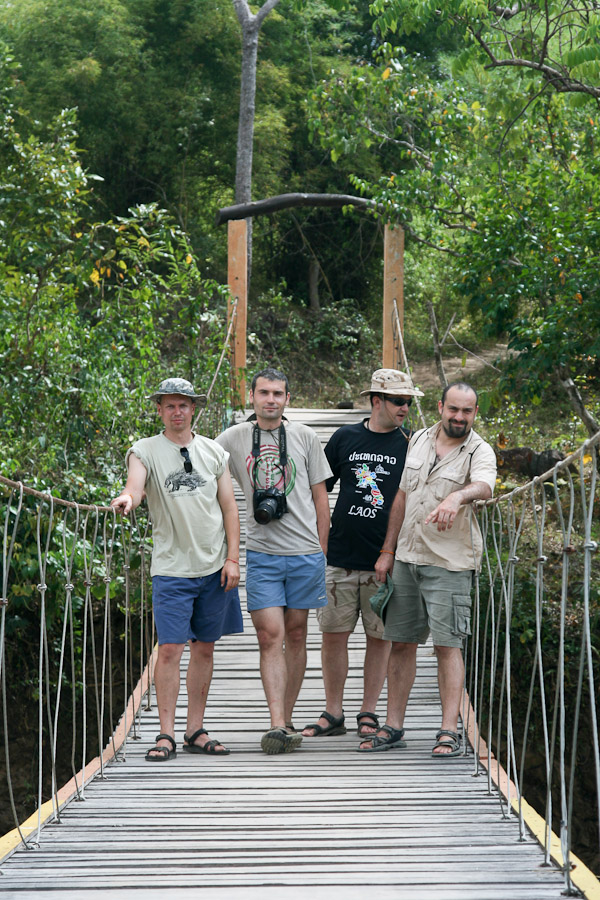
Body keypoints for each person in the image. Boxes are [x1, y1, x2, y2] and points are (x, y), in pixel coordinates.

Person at [359, 382, 497, 756]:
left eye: (467, 411)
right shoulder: (418, 438)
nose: (459, 417)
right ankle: (393, 726)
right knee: (400, 643)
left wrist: (458, 495)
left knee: (447, 646)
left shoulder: (479, 450)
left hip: (450, 564)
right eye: (453, 409)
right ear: (440, 406)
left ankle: (448, 731)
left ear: (475, 412)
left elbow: (485, 486)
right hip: (407, 558)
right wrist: (388, 550)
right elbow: (402, 495)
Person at [111, 377, 243, 762]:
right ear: (159, 410)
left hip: (214, 566)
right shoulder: (145, 450)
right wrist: (126, 499)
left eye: (183, 405)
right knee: (169, 649)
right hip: (171, 568)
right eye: (169, 405)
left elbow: (230, 508)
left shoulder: (214, 452)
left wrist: (233, 559)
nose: (177, 411)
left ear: (193, 409)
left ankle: (194, 730)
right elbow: (135, 486)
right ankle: (165, 734)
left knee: (205, 647)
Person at [302, 369, 423, 740]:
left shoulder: (413, 444)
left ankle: (368, 712)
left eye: (409, 402)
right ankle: (333, 711)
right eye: (398, 401)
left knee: (380, 638)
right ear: (376, 401)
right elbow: (318, 490)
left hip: (385, 560)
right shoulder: (344, 438)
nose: (405, 408)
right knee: (333, 634)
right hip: (339, 554)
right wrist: (316, 543)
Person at [216, 367, 332, 754]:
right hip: (262, 554)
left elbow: (320, 497)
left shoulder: (304, 436)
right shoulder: (233, 438)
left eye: (277, 394)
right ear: (251, 396)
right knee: (270, 636)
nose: (270, 400)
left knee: (297, 634)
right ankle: (276, 723)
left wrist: (323, 549)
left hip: (305, 553)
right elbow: (200, 465)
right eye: (263, 392)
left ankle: (288, 716)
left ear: (287, 399)